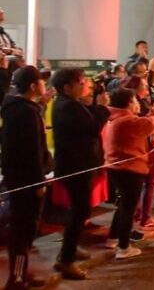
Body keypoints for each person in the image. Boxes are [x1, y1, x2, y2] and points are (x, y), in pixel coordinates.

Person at [51, 68, 111, 280]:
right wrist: (102, 107)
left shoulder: (71, 104)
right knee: (79, 210)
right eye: (81, 83)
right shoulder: (67, 107)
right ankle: (66, 260)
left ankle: (70, 248)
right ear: (67, 87)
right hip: (75, 166)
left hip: (79, 164)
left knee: (79, 209)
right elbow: (91, 129)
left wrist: (94, 104)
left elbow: (87, 122)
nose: (85, 86)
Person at [1, 66, 53, 289]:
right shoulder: (25, 112)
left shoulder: (16, 108)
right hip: (26, 180)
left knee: (25, 227)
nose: (44, 85)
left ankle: (22, 272)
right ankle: (17, 278)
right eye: (41, 82)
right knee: (23, 228)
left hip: (19, 177)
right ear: (33, 86)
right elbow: (31, 150)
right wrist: (38, 181)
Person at [102, 88, 154, 260]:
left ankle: (113, 238)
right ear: (128, 103)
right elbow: (151, 124)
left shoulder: (113, 119)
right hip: (129, 168)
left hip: (116, 167)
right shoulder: (126, 121)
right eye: (135, 100)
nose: (137, 104)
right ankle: (124, 247)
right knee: (129, 208)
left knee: (123, 205)